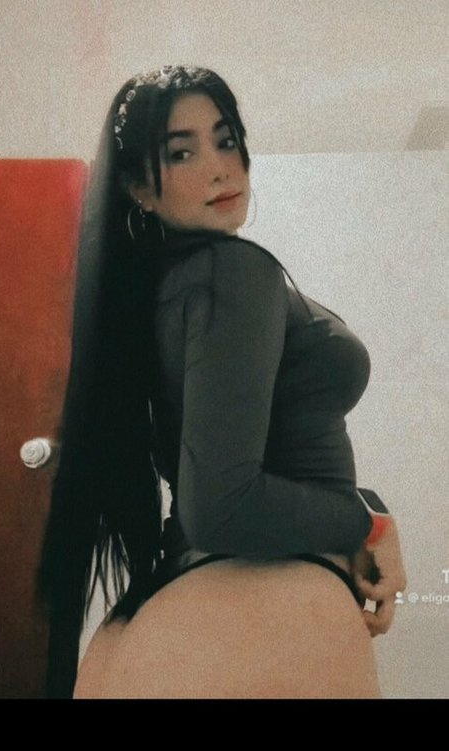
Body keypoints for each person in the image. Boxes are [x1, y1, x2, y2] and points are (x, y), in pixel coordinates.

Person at [38, 65, 407, 699]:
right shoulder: (231, 273)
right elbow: (223, 505)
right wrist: (368, 523)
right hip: (260, 607)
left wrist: (365, 511)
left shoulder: (159, 288)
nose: (219, 169)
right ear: (138, 189)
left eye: (226, 140)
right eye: (181, 153)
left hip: (173, 611)